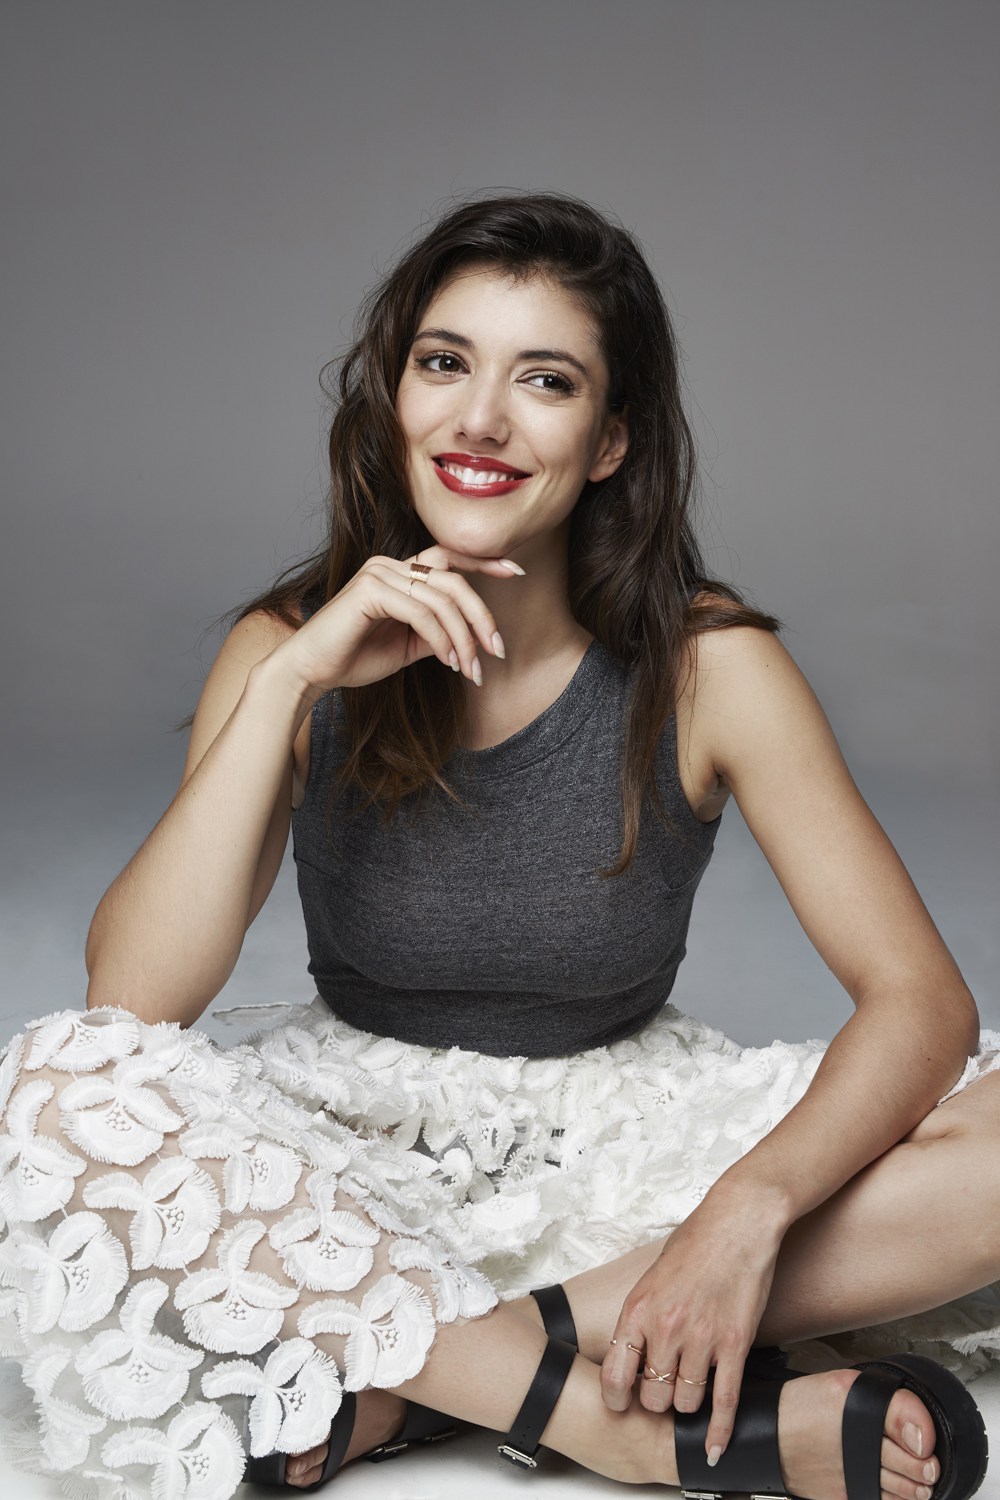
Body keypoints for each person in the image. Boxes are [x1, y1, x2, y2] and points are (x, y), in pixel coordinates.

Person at [0, 191, 997, 1500]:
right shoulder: (285, 647)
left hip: (626, 1162)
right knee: (56, 1085)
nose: (480, 419)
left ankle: (424, 1377)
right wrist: (293, 679)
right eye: (444, 363)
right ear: (394, 399)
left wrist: (743, 1213)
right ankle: (617, 1426)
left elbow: (921, 1001)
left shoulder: (709, 666)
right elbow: (130, 1006)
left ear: (609, 441)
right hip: (346, 1155)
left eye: (545, 380)